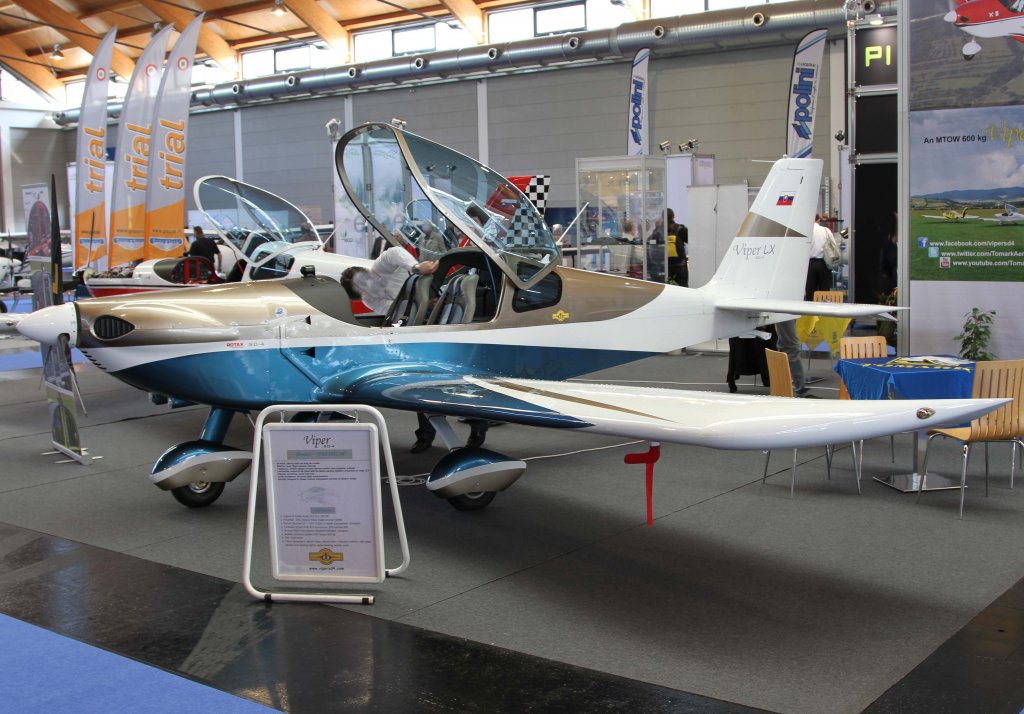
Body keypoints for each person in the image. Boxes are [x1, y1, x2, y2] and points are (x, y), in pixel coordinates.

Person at [340, 246, 438, 314]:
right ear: (361, 296)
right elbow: (396, 309)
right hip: (424, 307)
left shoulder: (379, 267)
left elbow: (394, 253)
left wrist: (416, 268)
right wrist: (426, 305)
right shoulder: (370, 301)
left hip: (433, 284)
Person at [805, 214, 832, 301]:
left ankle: (809, 309)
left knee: (810, 292)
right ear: (818, 220)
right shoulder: (826, 230)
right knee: (824, 293)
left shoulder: (806, 230)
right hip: (823, 263)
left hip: (809, 264)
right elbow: (833, 246)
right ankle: (823, 308)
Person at [666, 209, 688, 287]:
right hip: (680, 265)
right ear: (673, 216)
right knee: (682, 287)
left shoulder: (659, 230)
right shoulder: (681, 228)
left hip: (666, 266)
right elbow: (690, 240)